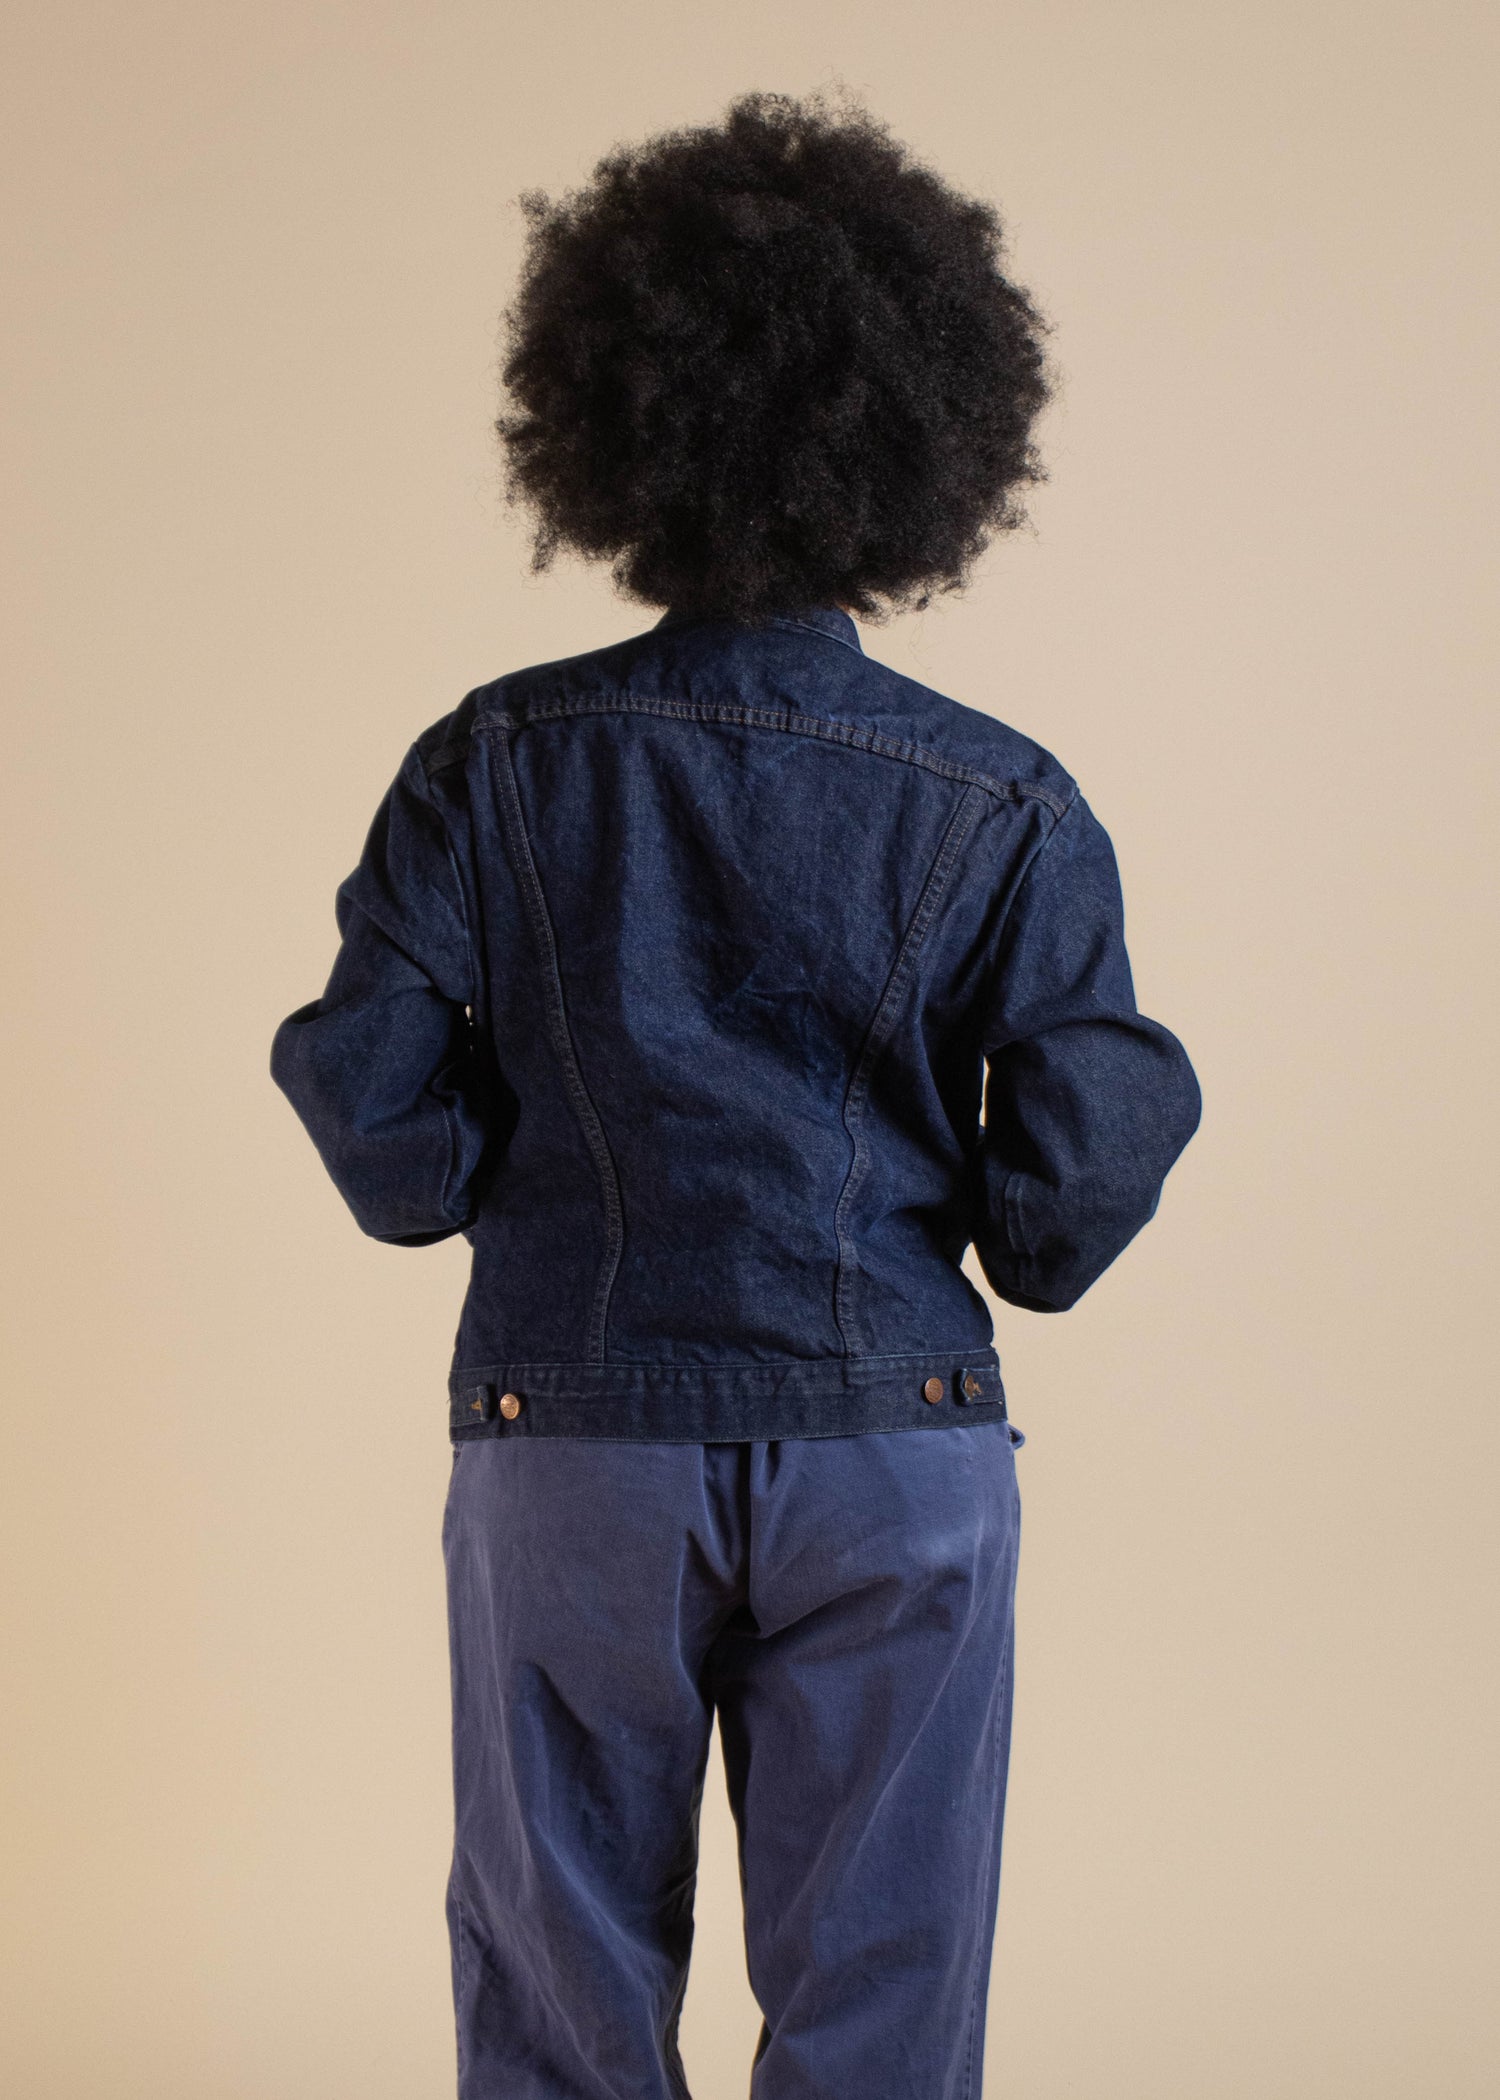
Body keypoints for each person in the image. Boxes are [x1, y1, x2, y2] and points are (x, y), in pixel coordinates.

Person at [270, 87, 1201, 2100]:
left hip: (573, 1440)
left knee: (559, 1998)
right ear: (929, 449)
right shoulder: (1001, 795)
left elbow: (381, 1130)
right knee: (887, 1996)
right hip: (894, 1447)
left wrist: (498, 1167)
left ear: (616, 434)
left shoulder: (493, 760)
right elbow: (1074, 1187)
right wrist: (972, 1220)